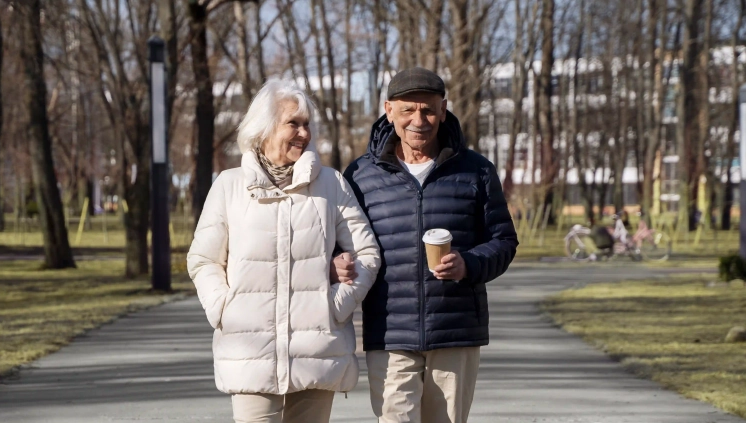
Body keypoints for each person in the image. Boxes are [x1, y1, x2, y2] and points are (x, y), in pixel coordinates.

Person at [188, 79, 381, 423]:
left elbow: (367, 253)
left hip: (317, 350)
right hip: (249, 353)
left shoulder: (331, 184)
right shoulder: (229, 186)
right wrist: (223, 309)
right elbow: (204, 260)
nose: (304, 133)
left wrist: (336, 303)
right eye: (293, 123)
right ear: (263, 127)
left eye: (307, 124)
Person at [337, 67, 519, 423]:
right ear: (388, 110)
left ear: (444, 109)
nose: (418, 120)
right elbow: (337, 243)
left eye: (428, 109)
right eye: (408, 110)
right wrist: (338, 262)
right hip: (389, 333)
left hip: (455, 331)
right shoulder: (359, 176)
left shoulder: (477, 171)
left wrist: (469, 263)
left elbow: (504, 241)